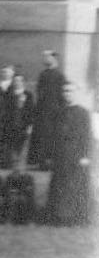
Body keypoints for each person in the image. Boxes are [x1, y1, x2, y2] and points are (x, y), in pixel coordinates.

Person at [46, 81, 92, 226]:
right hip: (61, 154)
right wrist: (50, 155)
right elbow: (53, 135)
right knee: (60, 185)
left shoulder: (83, 113)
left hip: (77, 155)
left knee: (76, 186)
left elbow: (86, 136)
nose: (68, 94)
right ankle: (59, 217)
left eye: (71, 91)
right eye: (65, 91)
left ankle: (77, 218)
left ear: (76, 93)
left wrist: (85, 156)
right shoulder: (58, 112)